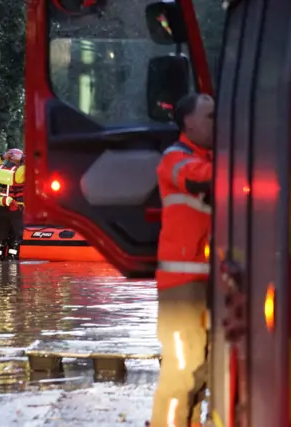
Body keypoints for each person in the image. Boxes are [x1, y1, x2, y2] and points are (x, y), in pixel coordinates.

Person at [149, 93, 214, 427]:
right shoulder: (176, 158)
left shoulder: (211, 157)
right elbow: (203, 179)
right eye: (210, 117)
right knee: (182, 369)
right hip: (182, 287)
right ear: (188, 122)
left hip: (209, 284)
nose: (217, 124)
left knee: (201, 370)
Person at [0, 148, 25, 260]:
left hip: (2, 208)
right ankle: (12, 258)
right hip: (17, 207)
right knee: (16, 234)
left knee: (1, 234)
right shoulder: (19, 172)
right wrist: (22, 159)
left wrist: (3, 156)